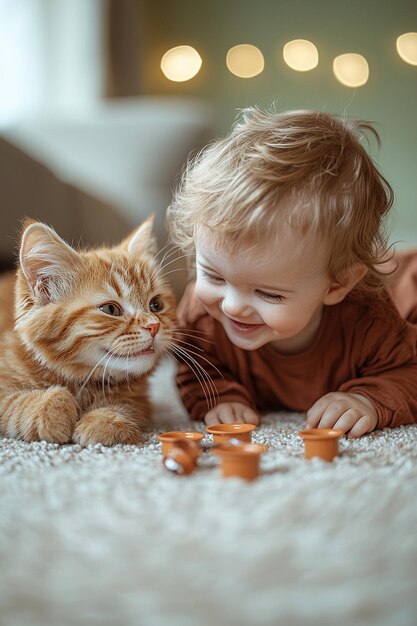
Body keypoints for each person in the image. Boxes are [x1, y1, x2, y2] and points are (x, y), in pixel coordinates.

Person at [167, 107, 417, 437]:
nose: (231, 306)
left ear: (337, 284)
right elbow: (195, 369)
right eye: (213, 276)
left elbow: (410, 371)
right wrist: (220, 396)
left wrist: (369, 400)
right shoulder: (201, 319)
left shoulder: (370, 322)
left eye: (269, 293)